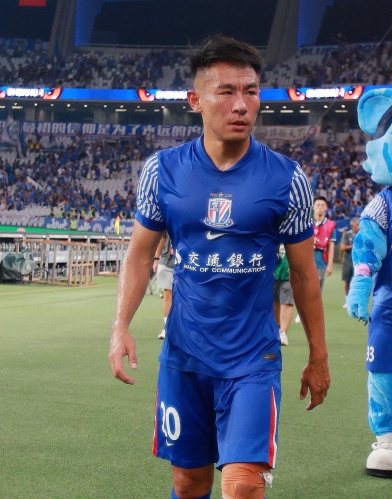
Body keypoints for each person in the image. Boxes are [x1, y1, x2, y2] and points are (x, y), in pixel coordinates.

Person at [108, 35, 330, 499]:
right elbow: (140, 256)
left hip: (253, 360)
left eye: (251, 91)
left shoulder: (288, 179)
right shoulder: (162, 171)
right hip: (184, 357)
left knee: (244, 484)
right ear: (196, 100)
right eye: (226, 91)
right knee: (189, 482)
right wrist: (120, 327)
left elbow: (304, 274)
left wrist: (318, 355)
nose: (241, 105)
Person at [295, 196, 336, 324]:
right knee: (303, 286)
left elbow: (331, 246)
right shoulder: (306, 223)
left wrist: (330, 264)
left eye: (322, 205)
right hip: (305, 259)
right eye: (317, 205)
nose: (320, 208)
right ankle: (301, 312)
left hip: (320, 261)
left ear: (326, 208)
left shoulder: (330, 226)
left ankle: (312, 313)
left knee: (317, 289)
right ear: (313, 207)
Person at [154, 231, 175, 339]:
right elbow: (162, 237)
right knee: (168, 294)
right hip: (167, 260)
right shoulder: (167, 221)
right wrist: (156, 258)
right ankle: (168, 328)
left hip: (188, 262)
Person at [273, 244, 294, 346]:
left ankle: (283, 332)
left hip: (288, 273)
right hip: (272, 272)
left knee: (287, 302)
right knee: (274, 301)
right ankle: (276, 328)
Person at [339, 218, 359, 308]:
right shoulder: (347, 235)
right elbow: (342, 247)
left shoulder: (362, 234)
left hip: (358, 263)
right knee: (347, 281)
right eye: (357, 225)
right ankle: (347, 300)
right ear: (352, 225)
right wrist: (353, 246)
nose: (359, 226)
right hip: (348, 262)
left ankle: (356, 301)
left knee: (357, 282)